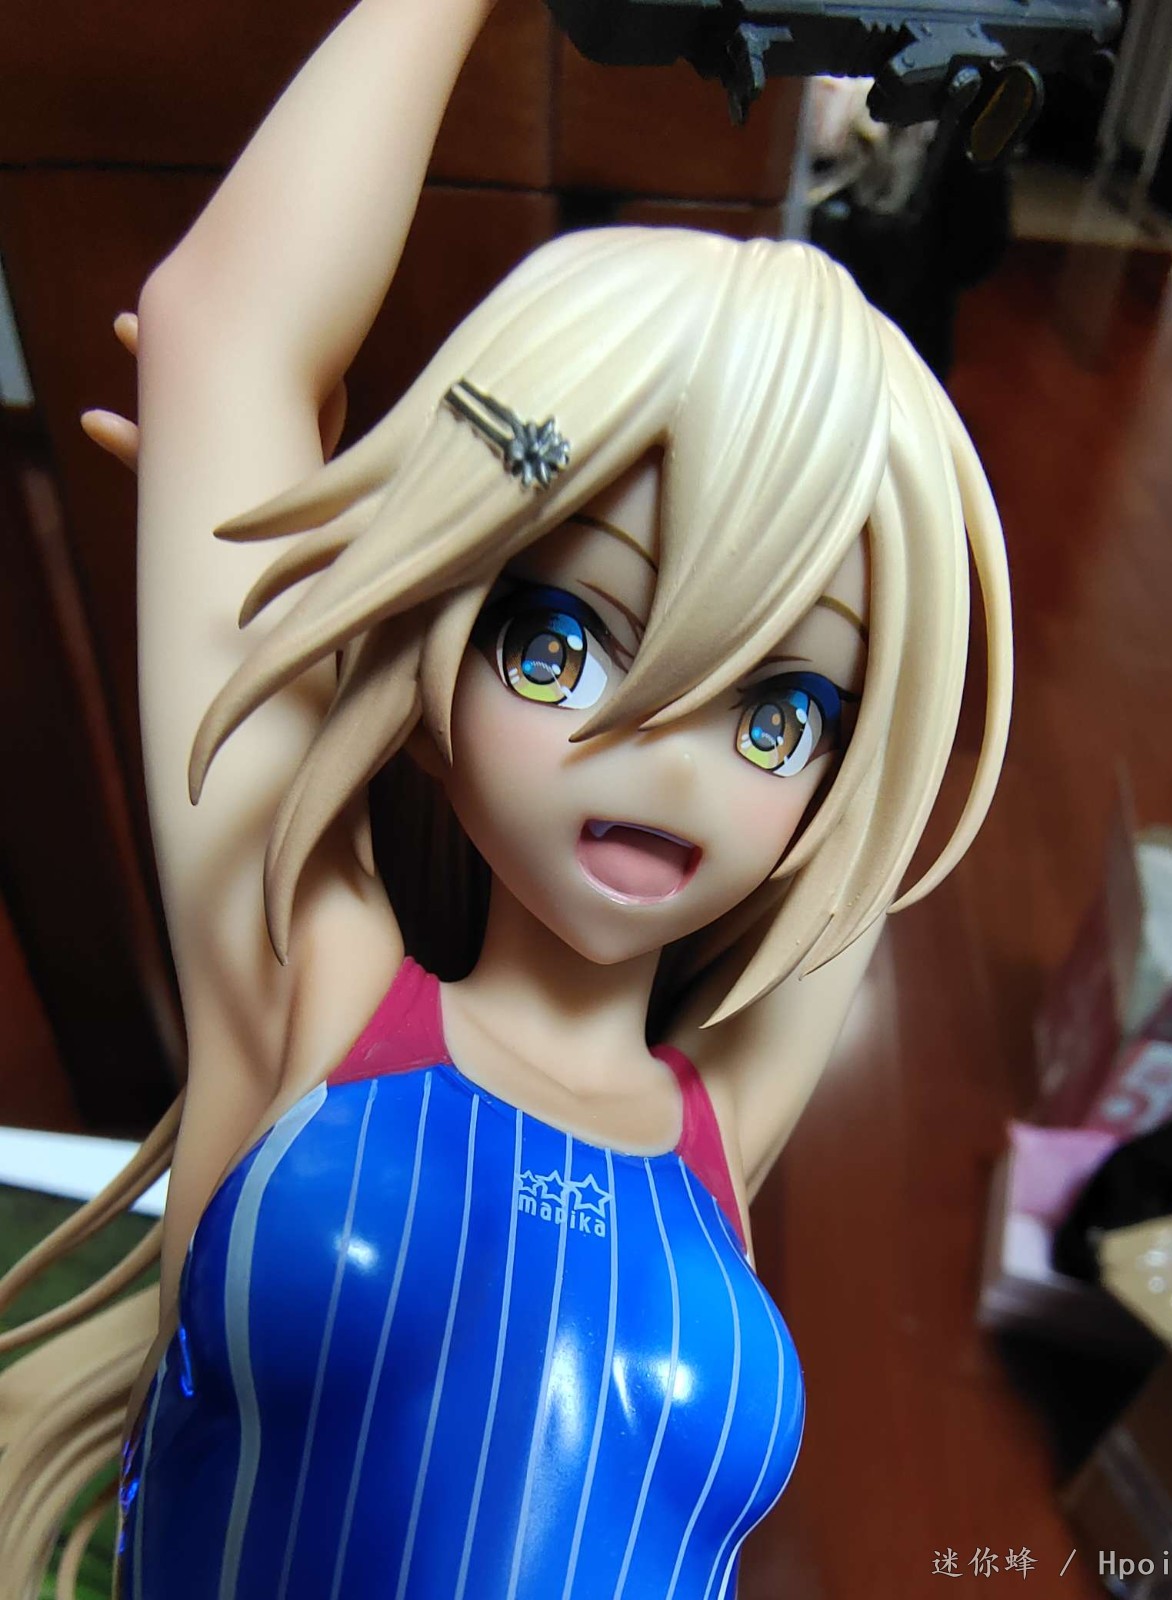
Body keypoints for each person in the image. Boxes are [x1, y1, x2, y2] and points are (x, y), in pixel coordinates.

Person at [0, 2, 1011, 1595]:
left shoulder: (719, 1136)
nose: (668, 753)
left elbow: (902, 737)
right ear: (434, 659)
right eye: (563, 644)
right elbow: (225, 328)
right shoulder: (316, 997)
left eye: (778, 714)